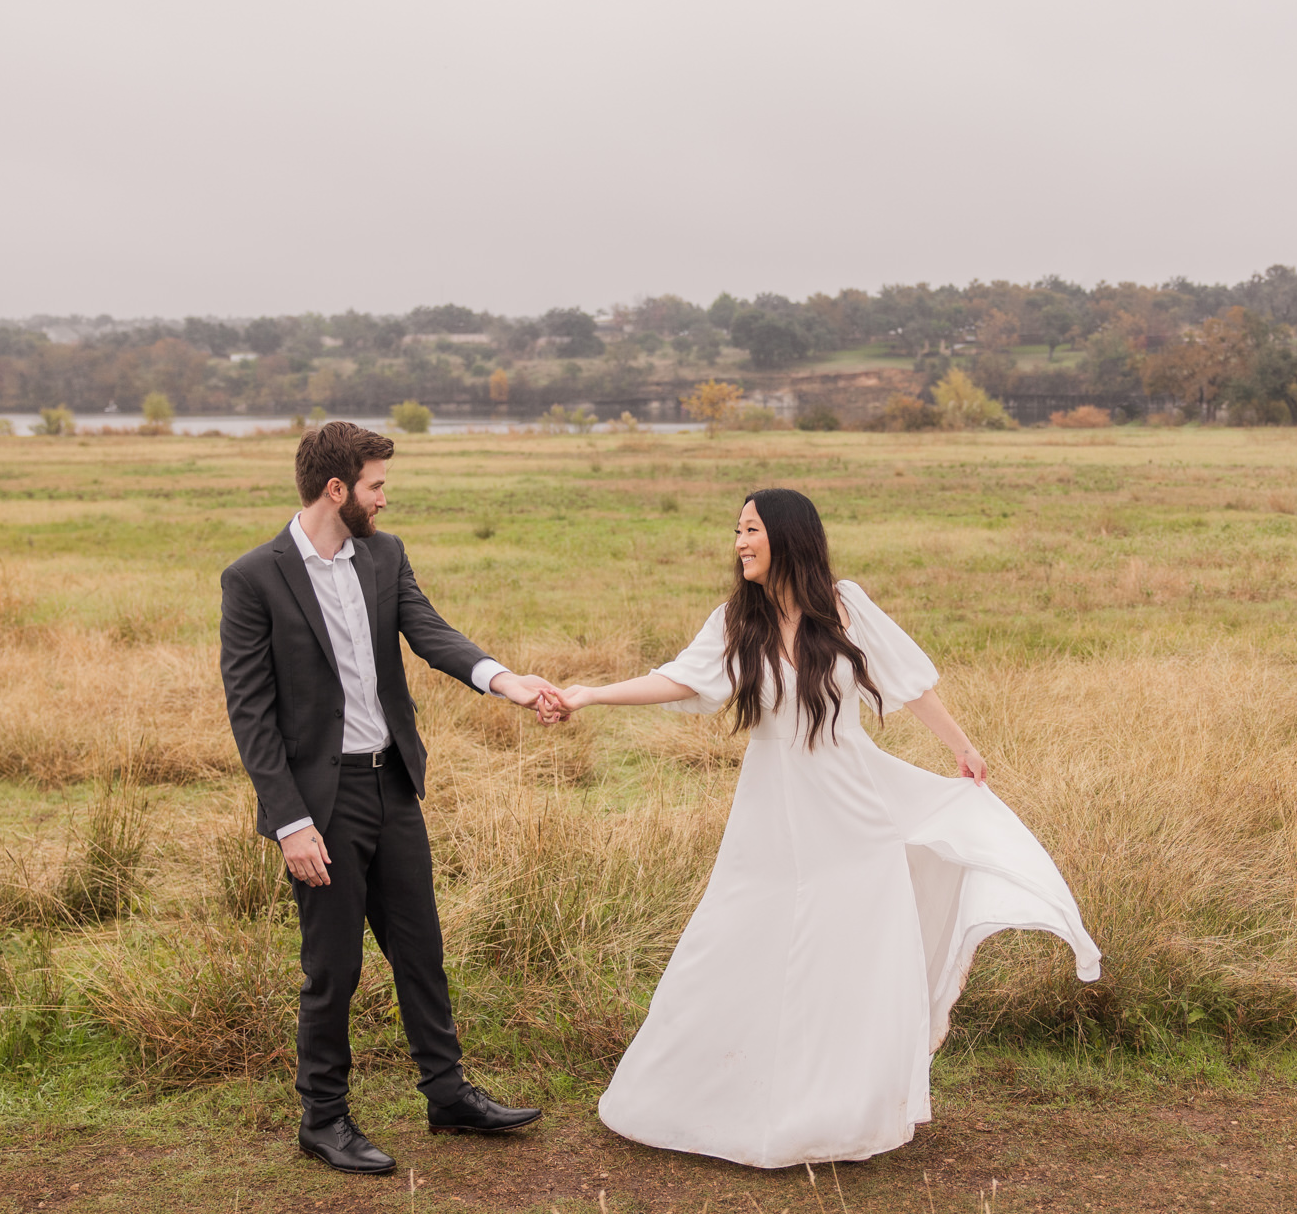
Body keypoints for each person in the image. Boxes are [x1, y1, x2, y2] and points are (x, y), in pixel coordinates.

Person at [548, 488, 1101, 1170]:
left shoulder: (845, 606)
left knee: (851, 957)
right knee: (734, 936)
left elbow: (908, 679)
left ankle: (839, 1112)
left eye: (750, 529)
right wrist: (588, 694)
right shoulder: (734, 623)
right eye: (737, 531)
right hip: (773, 820)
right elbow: (677, 681)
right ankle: (698, 1096)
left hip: (855, 815)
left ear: (786, 535)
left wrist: (961, 745)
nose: (739, 542)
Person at [219, 420, 556, 1175]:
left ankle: (446, 1093)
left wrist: (506, 680)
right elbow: (251, 713)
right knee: (333, 966)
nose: (384, 497)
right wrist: (290, 822)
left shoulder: (383, 555)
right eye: (376, 485)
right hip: (321, 804)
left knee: (420, 947)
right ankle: (324, 1117)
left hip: (391, 783)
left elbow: (430, 631)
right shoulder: (253, 578)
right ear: (337, 489)